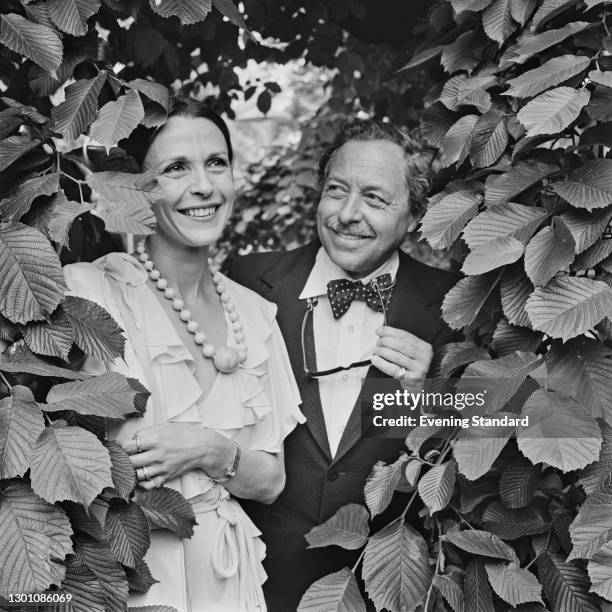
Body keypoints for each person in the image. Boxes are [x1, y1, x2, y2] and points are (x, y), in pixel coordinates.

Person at [64, 98, 304, 611]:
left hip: (229, 581)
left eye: (216, 163)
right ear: (136, 188)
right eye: (176, 168)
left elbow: (271, 481)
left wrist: (210, 450)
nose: (204, 186)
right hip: (133, 579)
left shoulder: (256, 314)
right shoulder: (91, 292)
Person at [228, 118, 459, 610]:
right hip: (255, 577)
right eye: (336, 191)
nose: (347, 214)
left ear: (413, 215)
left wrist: (425, 394)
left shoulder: (452, 305)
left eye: (375, 199)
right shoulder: (245, 281)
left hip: (385, 583)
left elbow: (485, 442)